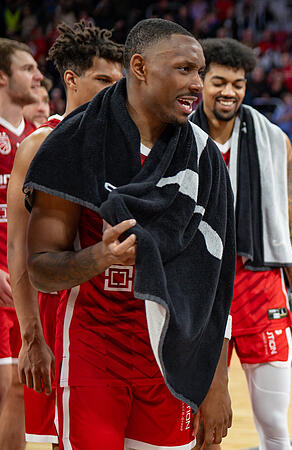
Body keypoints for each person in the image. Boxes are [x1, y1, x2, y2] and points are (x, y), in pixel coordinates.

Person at [24, 19, 234, 449]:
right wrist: (98, 257)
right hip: (94, 349)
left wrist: (216, 381)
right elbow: (40, 268)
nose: (197, 84)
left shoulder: (204, 156)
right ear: (139, 67)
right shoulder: (72, 142)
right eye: (184, 69)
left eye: (199, 71)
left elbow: (215, 282)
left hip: (170, 356)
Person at [189, 37, 292, 450]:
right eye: (219, 82)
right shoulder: (178, 135)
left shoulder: (275, 139)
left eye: (237, 84)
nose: (229, 92)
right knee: (201, 426)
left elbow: (291, 218)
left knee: (274, 423)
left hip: (261, 285)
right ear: (201, 82)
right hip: (202, 286)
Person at [9, 22, 124, 448]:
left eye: (120, 82)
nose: (116, 91)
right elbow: (18, 248)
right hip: (58, 312)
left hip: (119, 321)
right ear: (72, 79)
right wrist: (31, 336)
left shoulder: (132, 143)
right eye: (104, 80)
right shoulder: (40, 144)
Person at [0, 36, 43, 449]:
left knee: (19, 388)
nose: (38, 76)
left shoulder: (36, 138)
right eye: (27, 68)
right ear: (2, 76)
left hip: (23, 287)